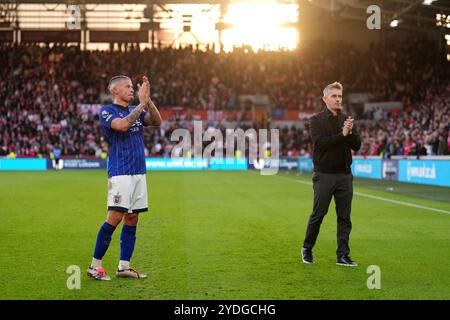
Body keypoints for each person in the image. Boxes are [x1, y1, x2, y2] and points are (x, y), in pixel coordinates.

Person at [87, 75, 162, 280]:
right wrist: (141, 104)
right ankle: (95, 266)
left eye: (132, 87)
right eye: (127, 87)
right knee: (115, 217)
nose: (131, 89)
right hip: (120, 171)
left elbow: (156, 121)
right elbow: (121, 126)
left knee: (132, 217)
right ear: (115, 91)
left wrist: (148, 101)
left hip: (139, 171)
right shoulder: (107, 111)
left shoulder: (135, 110)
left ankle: (124, 266)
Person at [301, 82, 361, 267]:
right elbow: (320, 144)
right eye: (334, 96)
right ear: (325, 98)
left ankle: (342, 255)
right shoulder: (315, 120)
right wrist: (342, 135)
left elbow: (357, 146)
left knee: (344, 217)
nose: (338, 99)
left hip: (344, 175)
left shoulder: (347, 119)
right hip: (324, 175)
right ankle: (307, 248)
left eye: (340, 96)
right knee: (318, 214)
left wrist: (350, 133)